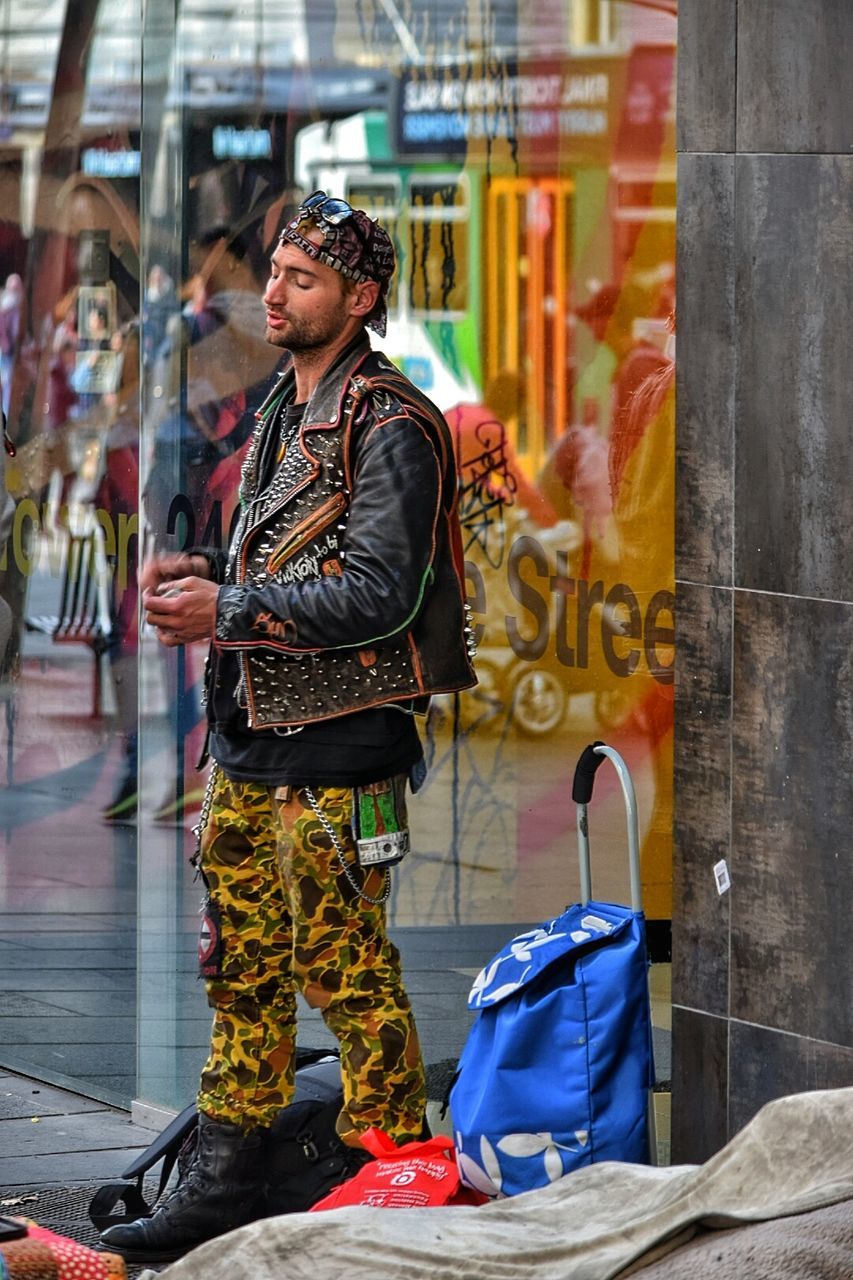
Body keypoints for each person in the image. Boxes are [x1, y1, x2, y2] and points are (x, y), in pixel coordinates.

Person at [100, 191, 477, 1263]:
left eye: (301, 278)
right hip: (254, 736)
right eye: (274, 270)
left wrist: (224, 610)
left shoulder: (396, 420)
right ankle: (227, 1170)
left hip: (346, 741)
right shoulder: (278, 406)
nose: (273, 291)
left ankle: (392, 1170)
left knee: (344, 966)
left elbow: (379, 594)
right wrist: (211, 577)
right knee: (243, 965)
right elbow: (290, 569)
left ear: (358, 299)